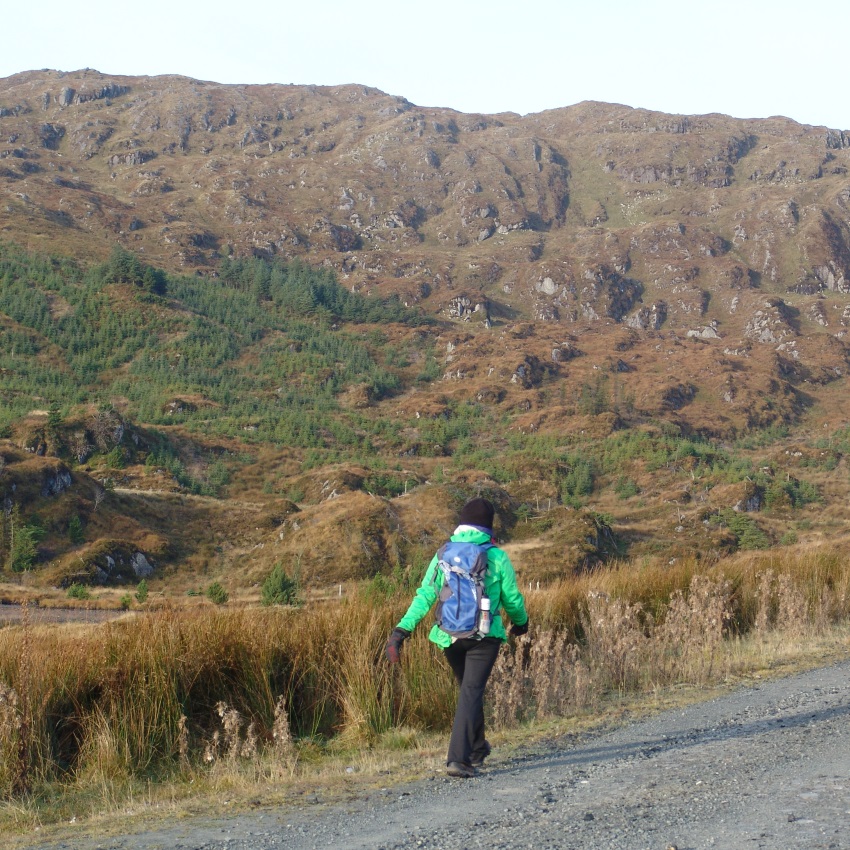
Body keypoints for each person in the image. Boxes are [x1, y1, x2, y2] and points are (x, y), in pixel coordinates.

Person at [385, 497, 529, 778]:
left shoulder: (443, 554)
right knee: (471, 692)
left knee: (468, 690)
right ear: (488, 527)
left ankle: (476, 748)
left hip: (448, 636)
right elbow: (512, 599)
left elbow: (425, 595)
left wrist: (401, 631)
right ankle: (458, 759)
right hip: (484, 636)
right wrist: (521, 623)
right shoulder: (497, 556)